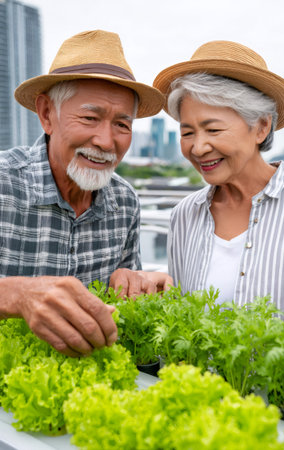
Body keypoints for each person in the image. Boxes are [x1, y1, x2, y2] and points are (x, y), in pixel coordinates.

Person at [0, 29, 172, 357]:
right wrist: (17, 294)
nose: (106, 141)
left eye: (122, 125)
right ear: (47, 114)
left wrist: (132, 283)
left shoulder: (125, 202)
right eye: (90, 117)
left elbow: (124, 305)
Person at [150, 40, 284, 314]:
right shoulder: (184, 215)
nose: (198, 148)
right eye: (187, 133)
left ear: (261, 127)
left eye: (214, 130)